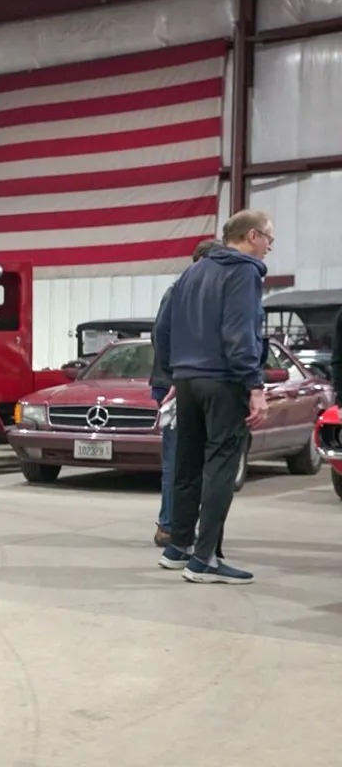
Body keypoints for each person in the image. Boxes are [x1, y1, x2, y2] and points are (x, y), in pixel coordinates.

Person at [153, 210, 273, 584]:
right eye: (269, 239)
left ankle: (178, 547)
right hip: (223, 381)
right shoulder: (244, 272)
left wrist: (173, 374)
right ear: (253, 236)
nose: (269, 247)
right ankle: (205, 560)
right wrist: (255, 386)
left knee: (186, 465)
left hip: (187, 380)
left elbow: (163, 328)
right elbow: (240, 333)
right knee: (221, 466)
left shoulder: (193, 272)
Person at [152, 237, 223, 547]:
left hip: (185, 381)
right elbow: (161, 334)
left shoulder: (193, 292)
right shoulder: (181, 290)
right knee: (179, 459)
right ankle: (170, 527)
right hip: (177, 385)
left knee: (189, 460)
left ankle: (181, 526)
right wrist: (175, 377)